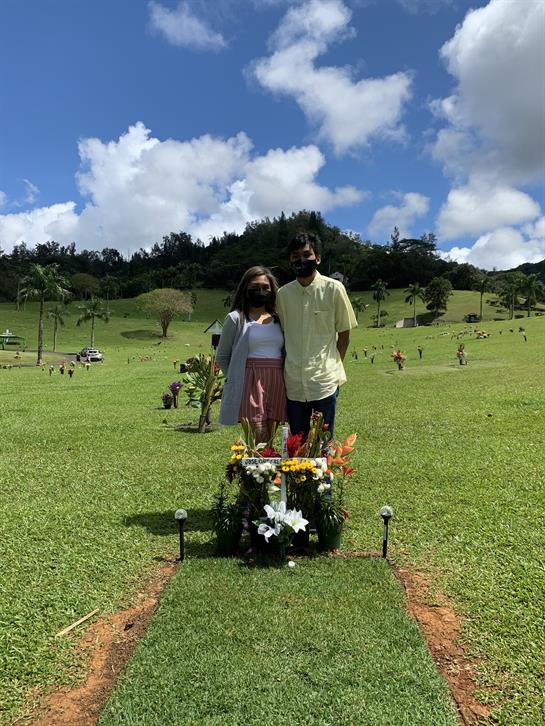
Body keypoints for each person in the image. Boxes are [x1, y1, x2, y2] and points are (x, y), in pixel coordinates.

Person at [276, 231, 357, 439]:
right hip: (293, 383)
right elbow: (283, 336)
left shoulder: (334, 289)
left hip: (324, 382)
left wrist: (334, 366)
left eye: (306, 254)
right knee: (298, 445)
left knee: (322, 444)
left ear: (318, 258)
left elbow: (344, 335)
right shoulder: (283, 295)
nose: (300, 260)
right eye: (295, 256)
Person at [216, 266, 287, 443]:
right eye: (255, 287)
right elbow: (222, 356)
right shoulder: (235, 318)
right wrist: (237, 377)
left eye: (265, 287)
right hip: (250, 380)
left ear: (272, 290)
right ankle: (256, 470)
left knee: (270, 438)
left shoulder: (280, 318)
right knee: (258, 438)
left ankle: (268, 470)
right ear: (245, 288)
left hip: (277, 379)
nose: (260, 291)